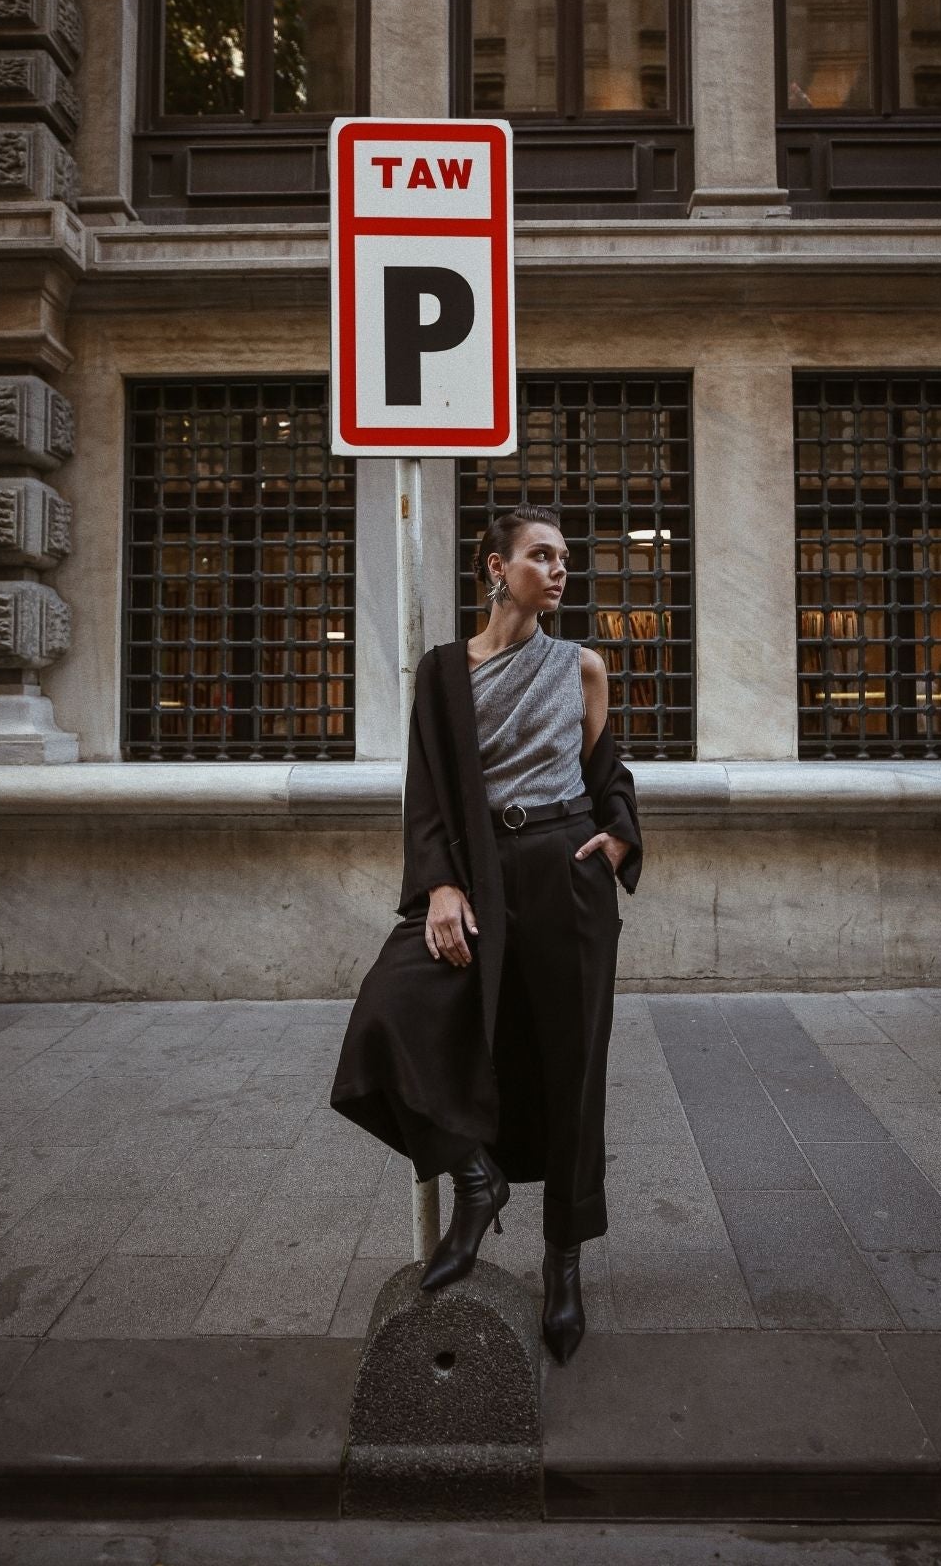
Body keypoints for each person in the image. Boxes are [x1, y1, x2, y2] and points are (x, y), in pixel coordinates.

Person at [329, 503, 643, 1364]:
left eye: (565, 556)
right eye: (540, 555)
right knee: (391, 1012)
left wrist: (615, 837)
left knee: (570, 1065)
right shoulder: (440, 672)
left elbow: (605, 768)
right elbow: (425, 790)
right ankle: (475, 1179)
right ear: (495, 568)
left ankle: (563, 1262)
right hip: (476, 873)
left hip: (564, 869)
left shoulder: (580, 665)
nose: (559, 567)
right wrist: (437, 884)